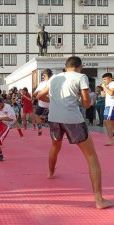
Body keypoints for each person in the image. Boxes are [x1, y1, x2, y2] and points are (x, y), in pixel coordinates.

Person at [37, 56, 113, 209]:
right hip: (72, 119)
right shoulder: (81, 77)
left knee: (55, 147)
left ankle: (50, 172)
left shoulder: (54, 78)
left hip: (54, 118)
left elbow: (39, 96)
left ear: (65, 67)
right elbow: (86, 103)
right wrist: (78, 98)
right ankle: (99, 200)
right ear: (80, 67)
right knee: (91, 157)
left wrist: (57, 101)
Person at [33, 69, 53, 136]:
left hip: (42, 104)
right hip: (52, 104)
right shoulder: (54, 82)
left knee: (37, 115)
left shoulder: (42, 83)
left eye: (43, 76)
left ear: (45, 75)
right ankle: (55, 130)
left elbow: (35, 94)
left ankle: (40, 128)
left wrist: (36, 97)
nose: (43, 77)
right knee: (55, 118)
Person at [101, 73, 114, 146]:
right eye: (103, 79)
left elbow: (111, 93)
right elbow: (104, 95)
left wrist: (105, 87)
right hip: (109, 106)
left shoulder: (112, 83)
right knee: (110, 122)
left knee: (107, 121)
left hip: (111, 106)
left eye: (105, 79)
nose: (104, 81)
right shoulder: (108, 85)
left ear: (110, 78)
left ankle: (110, 139)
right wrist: (103, 89)